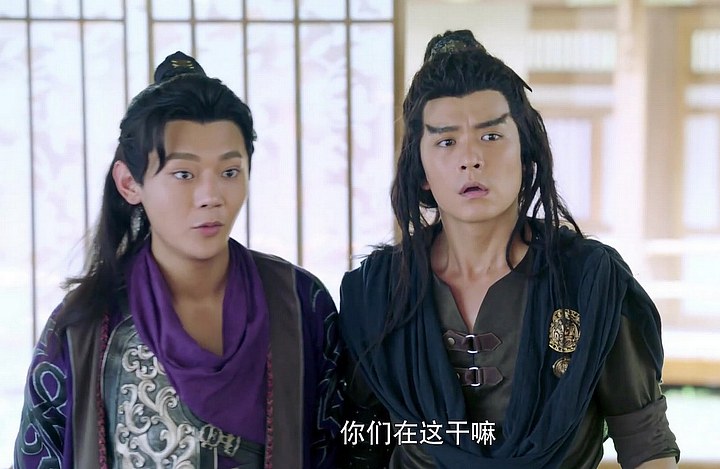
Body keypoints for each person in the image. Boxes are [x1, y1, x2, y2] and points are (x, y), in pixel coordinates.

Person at [338, 30, 680, 468]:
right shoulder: (377, 292)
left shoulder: (589, 281)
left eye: (491, 137)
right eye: (446, 141)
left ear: (526, 153)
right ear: (420, 170)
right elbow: (361, 439)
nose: (471, 159)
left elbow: (645, 441)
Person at [14, 51, 342, 469]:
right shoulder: (81, 326)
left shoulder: (300, 303)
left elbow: (341, 446)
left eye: (229, 172)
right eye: (184, 174)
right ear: (129, 183)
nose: (211, 196)